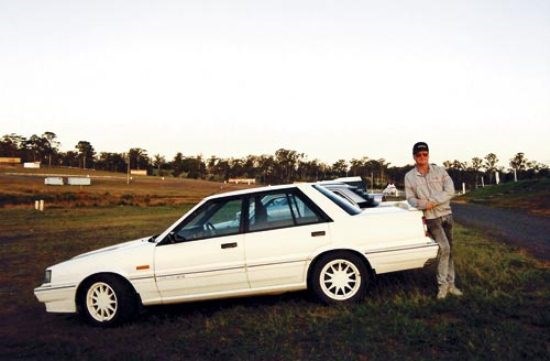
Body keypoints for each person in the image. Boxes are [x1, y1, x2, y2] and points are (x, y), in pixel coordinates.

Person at [404, 142, 463, 299]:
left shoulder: (440, 171)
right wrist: (422, 204)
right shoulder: (409, 176)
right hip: (431, 218)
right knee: (444, 248)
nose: (422, 157)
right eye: (418, 155)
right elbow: (410, 198)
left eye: (424, 154)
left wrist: (433, 201)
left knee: (450, 249)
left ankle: (451, 284)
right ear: (414, 157)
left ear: (428, 155)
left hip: (446, 215)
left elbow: (450, 191)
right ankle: (442, 285)